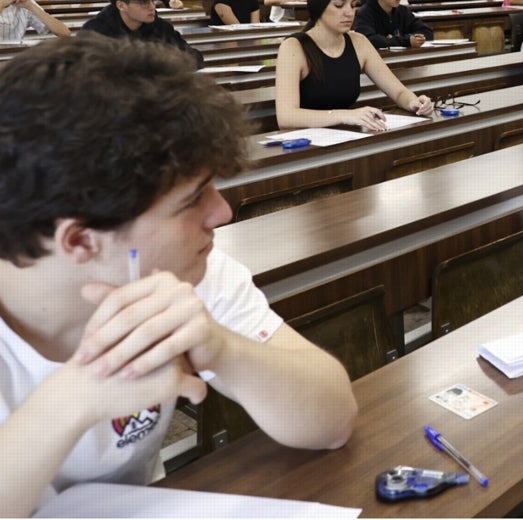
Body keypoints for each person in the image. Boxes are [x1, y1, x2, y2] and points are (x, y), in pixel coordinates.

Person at [0, 34, 356, 517]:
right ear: (81, 241)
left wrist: (223, 348)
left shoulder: (189, 272)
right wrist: (69, 403)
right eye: (192, 201)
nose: (223, 213)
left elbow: (333, 421)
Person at [275, 0, 433, 130]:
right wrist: (345, 115)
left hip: (346, 136)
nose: (349, 13)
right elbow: (286, 116)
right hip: (305, 142)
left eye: (353, 5)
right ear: (318, 6)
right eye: (339, 5)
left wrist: (414, 102)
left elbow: (398, 92)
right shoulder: (293, 48)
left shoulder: (358, 43)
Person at [80, 0, 203, 68]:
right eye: (143, 3)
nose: (152, 6)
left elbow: (194, 56)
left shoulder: (161, 27)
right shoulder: (95, 31)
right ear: (121, 5)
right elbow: (87, 70)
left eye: (153, 0)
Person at [352, 0, 433, 48]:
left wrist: (402, 39)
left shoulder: (402, 11)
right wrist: (405, 40)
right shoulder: (365, 13)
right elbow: (368, 39)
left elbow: (427, 32)